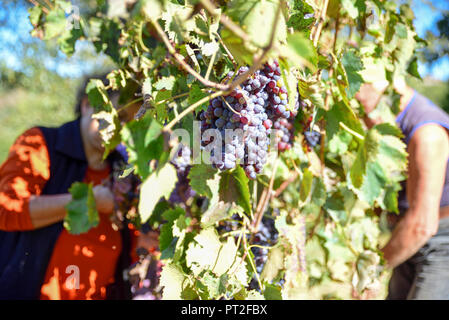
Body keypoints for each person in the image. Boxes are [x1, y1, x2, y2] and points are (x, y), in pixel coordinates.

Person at [0, 74, 155, 300]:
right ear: (86, 104)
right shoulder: (41, 143)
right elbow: (7, 208)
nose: (122, 129)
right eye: (118, 116)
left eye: (130, 123)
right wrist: (86, 200)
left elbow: (130, 243)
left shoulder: (124, 171)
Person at [355, 79, 449, 299]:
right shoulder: (396, 126)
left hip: (442, 244)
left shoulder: (428, 134)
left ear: (383, 92)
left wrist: (372, 270)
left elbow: (422, 226)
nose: (360, 120)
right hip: (409, 237)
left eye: (360, 107)